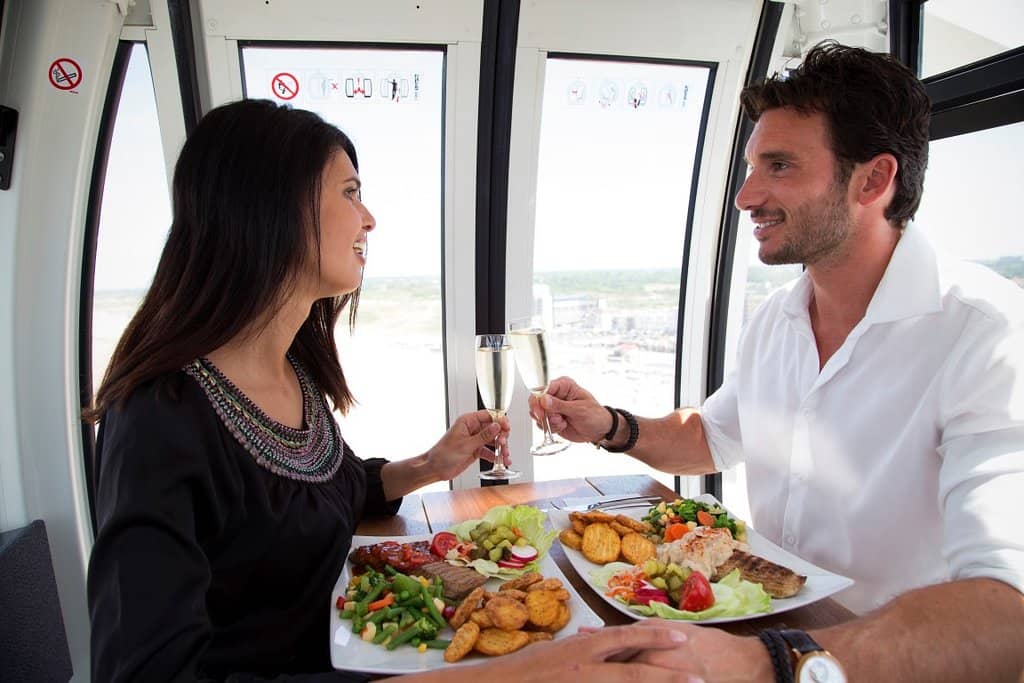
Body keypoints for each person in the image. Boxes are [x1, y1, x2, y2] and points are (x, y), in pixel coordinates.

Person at [85, 99, 695, 683]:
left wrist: (433, 463)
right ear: (270, 207)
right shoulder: (158, 417)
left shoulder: (292, 373)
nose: (369, 217)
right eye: (350, 193)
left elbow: (331, 493)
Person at [531, 41, 1024, 681]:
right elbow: (713, 438)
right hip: (766, 631)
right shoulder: (777, 319)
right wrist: (611, 427)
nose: (745, 196)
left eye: (780, 166)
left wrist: (771, 663)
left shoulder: (986, 332)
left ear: (873, 180)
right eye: (750, 167)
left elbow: (1007, 612)